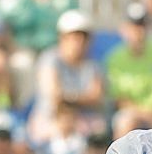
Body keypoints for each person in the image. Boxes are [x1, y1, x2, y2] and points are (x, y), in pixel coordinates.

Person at [31, 10, 105, 142]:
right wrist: (81, 98)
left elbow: (96, 97)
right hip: (52, 119)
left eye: (84, 37)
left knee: (99, 131)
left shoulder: (93, 65)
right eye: (74, 37)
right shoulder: (49, 59)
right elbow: (54, 95)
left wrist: (68, 97)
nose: (79, 42)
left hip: (84, 122)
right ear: (62, 38)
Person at [105, 3, 152, 137]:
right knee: (125, 121)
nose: (138, 31)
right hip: (133, 112)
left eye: (142, 26)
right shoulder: (115, 59)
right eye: (133, 26)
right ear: (123, 29)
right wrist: (148, 113)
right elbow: (119, 100)